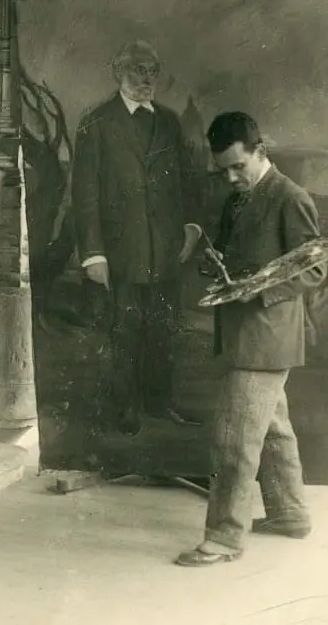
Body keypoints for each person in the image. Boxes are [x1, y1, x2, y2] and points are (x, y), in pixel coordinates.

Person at [176, 111, 326, 567]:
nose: (231, 177)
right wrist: (220, 265)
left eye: (238, 166)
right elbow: (244, 254)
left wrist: (256, 290)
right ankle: (290, 514)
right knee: (273, 429)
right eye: (224, 169)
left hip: (266, 339)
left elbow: (315, 267)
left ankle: (223, 538)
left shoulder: (290, 197)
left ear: (261, 152)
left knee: (235, 437)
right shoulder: (238, 198)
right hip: (249, 334)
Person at [71, 40, 202, 433]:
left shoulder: (169, 121)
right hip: (119, 249)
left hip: (164, 249)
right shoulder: (97, 122)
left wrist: (192, 228)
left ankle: (159, 403)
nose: (146, 79)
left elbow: (187, 182)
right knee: (124, 330)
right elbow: (85, 193)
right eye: (137, 70)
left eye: (152, 71)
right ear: (118, 72)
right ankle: (123, 409)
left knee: (162, 328)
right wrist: (93, 254)